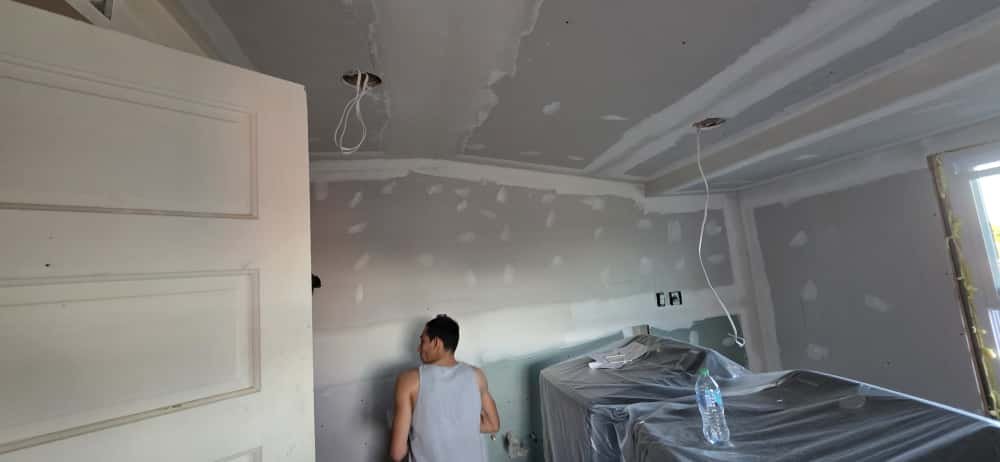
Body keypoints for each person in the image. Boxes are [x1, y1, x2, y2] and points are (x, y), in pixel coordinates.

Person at [389, 314, 500, 462]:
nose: (418, 348)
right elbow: (493, 424)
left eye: (422, 341)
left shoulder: (409, 381)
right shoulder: (477, 376)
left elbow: (397, 453)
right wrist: (456, 425)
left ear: (436, 343)